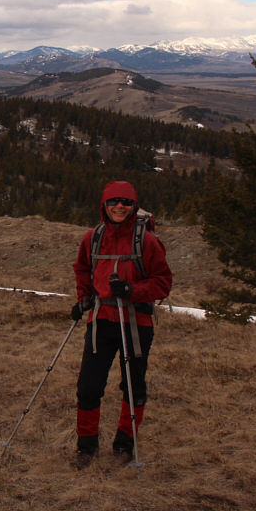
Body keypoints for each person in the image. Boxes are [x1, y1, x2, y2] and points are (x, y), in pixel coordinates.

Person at [69, 181, 172, 469]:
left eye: (126, 202)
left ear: (134, 206)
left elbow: (163, 282)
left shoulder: (147, 241)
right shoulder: (93, 238)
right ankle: (86, 449)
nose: (119, 206)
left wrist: (131, 291)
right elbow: (82, 269)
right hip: (101, 320)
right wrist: (84, 298)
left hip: (136, 323)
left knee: (133, 387)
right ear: (104, 205)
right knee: (88, 388)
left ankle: (124, 446)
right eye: (113, 201)